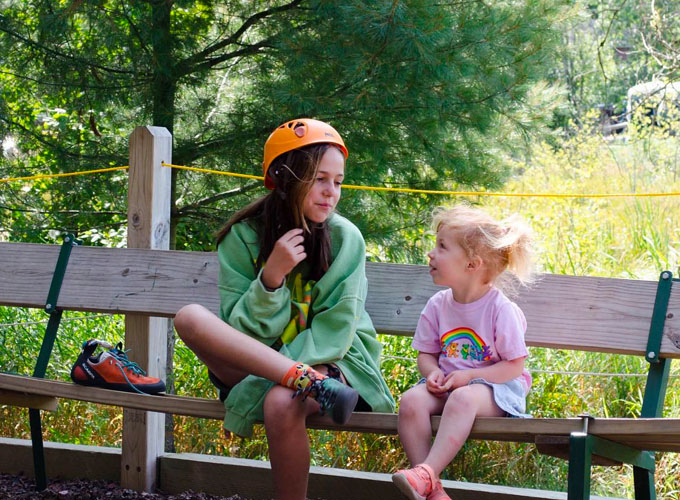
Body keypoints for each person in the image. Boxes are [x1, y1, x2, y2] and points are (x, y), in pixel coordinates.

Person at [174, 118, 395, 500]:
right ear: (286, 176)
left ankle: (302, 384)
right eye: (320, 179)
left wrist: (268, 385)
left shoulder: (344, 238)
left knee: (281, 400)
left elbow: (335, 333)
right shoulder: (243, 239)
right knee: (188, 317)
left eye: (338, 182)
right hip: (259, 360)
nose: (331, 193)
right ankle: (301, 380)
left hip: (335, 364)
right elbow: (241, 337)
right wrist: (270, 279)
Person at [391, 204, 534, 500]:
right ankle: (430, 486)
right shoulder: (438, 305)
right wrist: (432, 374)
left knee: (463, 397)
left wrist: (469, 377)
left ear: (472, 265)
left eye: (442, 247)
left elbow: (514, 367)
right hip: (449, 384)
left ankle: (426, 474)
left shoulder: (499, 309)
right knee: (412, 400)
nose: (431, 253)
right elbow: (426, 355)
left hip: (496, 389)